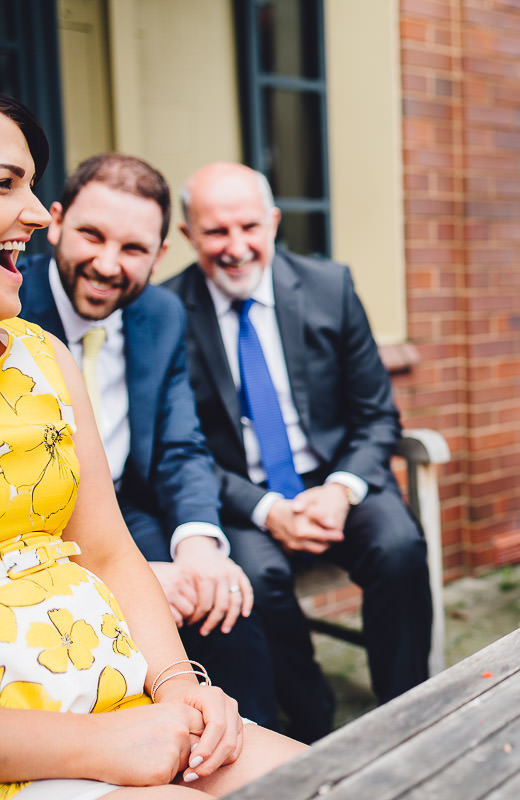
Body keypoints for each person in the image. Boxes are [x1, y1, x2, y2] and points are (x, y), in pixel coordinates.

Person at [1, 94, 303, 798]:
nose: (35, 212)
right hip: (43, 732)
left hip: (117, 662)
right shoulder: (33, 301)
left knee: (331, 777)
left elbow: (157, 477)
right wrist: (104, 743)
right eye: (3, 183)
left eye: (134, 248)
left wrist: (179, 689)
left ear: (160, 254)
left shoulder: (44, 352)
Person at [164, 162, 432, 742]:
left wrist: (341, 490)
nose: (236, 248)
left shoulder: (329, 287)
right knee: (251, 577)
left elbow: (377, 415)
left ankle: (409, 706)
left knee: (399, 543)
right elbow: (179, 448)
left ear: (274, 222)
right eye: (216, 232)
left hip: (335, 478)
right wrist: (266, 510)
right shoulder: (165, 312)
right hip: (240, 496)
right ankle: (309, 717)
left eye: (249, 228)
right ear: (187, 235)